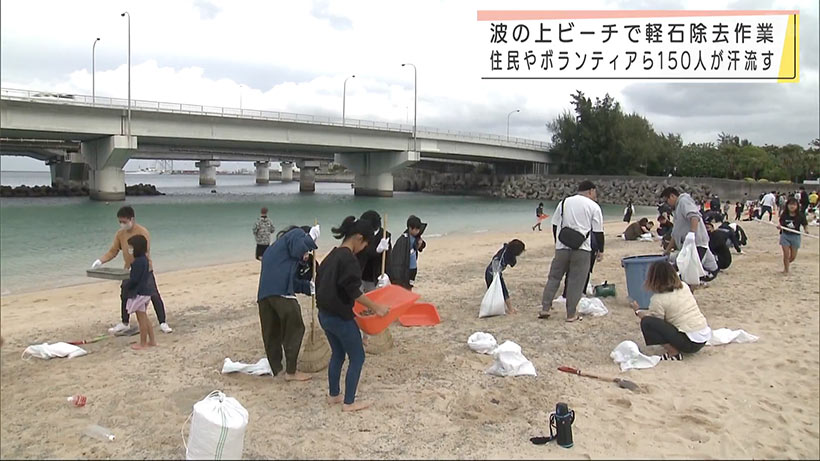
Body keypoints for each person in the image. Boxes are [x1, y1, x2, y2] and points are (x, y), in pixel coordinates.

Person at [316, 216, 390, 412]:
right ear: (358, 237)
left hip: (324, 315)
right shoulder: (348, 259)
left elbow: (323, 283)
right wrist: (376, 307)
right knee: (357, 356)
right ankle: (349, 402)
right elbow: (354, 291)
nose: (365, 247)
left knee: (338, 354)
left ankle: (334, 395)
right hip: (339, 317)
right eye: (365, 242)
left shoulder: (331, 255)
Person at [91, 206, 172, 335]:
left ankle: (162, 322)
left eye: (124, 221)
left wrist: (138, 271)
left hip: (145, 269)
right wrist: (100, 261)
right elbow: (113, 251)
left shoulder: (142, 231)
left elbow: (144, 252)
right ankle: (125, 323)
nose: (122, 224)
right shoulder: (120, 234)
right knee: (124, 294)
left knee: (153, 294)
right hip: (128, 270)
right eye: (120, 222)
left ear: (132, 219)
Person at [256, 223, 320, 381]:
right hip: (281, 293)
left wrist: (308, 287)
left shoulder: (274, 251)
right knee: (295, 327)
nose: (307, 254)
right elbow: (299, 247)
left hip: (265, 296)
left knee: (272, 333)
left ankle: (277, 369)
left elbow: (290, 281)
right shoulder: (296, 234)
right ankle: (291, 372)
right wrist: (310, 238)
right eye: (307, 251)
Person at [539, 180, 605, 322]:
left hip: (562, 247)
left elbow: (555, 225)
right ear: (591, 191)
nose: (595, 195)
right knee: (576, 281)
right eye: (595, 192)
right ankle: (570, 314)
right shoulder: (594, 206)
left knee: (554, 277)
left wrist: (557, 243)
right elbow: (598, 232)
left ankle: (545, 308)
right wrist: (601, 250)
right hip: (582, 249)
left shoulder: (564, 202)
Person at [633, 261, 712, 361]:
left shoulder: (658, 299)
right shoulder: (684, 286)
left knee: (647, 322)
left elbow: (654, 321)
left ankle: (673, 352)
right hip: (703, 337)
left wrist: (638, 311)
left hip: (689, 342)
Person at [660, 187, 719, 282]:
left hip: (696, 244)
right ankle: (709, 272)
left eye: (667, 201)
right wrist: (667, 251)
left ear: (672, 196)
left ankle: (706, 276)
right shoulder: (677, 209)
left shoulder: (684, 201)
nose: (667, 204)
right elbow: (675, 234)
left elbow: (694, 217)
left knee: (685, 273)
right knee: (680, 268)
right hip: (688, 246)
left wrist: (692, 234)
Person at [124, 235, 157, 351]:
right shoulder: (145, 260)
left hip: (139, 293)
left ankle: (143, 343)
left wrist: (127, 285)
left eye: (131, 247)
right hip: (145, 292)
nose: (129, 250)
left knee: (141, 318)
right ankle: (152, 340)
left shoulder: (138, 262)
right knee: (145, 317)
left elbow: (134, 279)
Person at [485, 239, 525, 314]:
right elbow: (513, 264)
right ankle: (510, 309)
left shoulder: (505, 250)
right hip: (495, 274)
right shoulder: (509, 255)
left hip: (488, 272)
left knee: (493, 291)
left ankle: (495, 308)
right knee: (503, 291)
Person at [386, 215, 427, 290]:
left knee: (410, 285)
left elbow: (421, 245)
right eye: (416, 229)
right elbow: (397, 258)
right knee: (404, 287)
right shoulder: (403, 240)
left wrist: (420, 245)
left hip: (413, 268)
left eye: (418, 229)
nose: (417, 231)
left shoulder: (416, 238)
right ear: (410, 228)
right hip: (406, 268)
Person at [356, 211, 391, 292]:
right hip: (360, 273)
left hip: (374, 276)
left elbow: (388, 257)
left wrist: (387, 275)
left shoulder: (385, 236)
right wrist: (376, 251)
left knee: (372, 299)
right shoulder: (362, 234)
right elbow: (360, 252)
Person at [778, 197, 810, 275]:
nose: (792, 206)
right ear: (787, 205)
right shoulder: (784, 214)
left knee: (792, 257)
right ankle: (786, 270)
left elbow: (805, 224)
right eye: (790, 204)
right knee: (786, 254)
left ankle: (787, 263)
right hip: (785, 235)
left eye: (794, 205)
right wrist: (779, 226)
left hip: (795, 236)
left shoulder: (800, 215)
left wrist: (806, 230)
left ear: (797, 206)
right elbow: (781, 223)